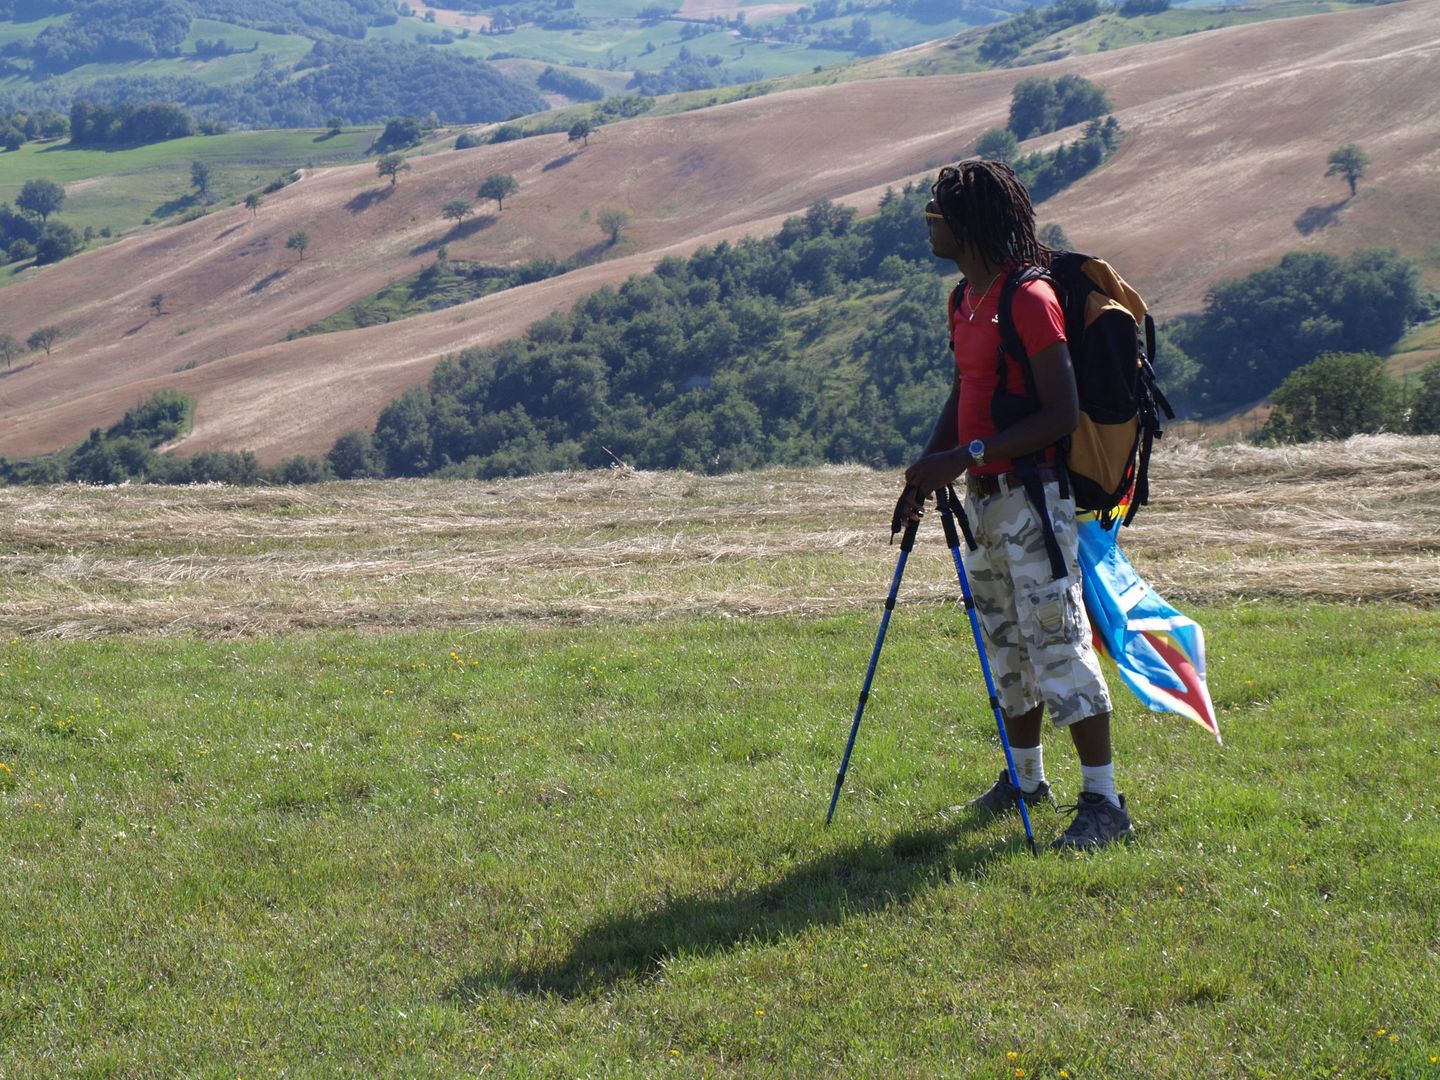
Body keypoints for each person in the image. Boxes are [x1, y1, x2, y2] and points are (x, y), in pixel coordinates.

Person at [900, 160, 1132, 851]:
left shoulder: (1029, 300)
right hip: (984, 502)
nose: (928, 225)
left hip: (1033, 498)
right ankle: (1025, 780)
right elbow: (963, 393)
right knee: (1007, 646)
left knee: (1059, 646)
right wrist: (924, 477)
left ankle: (1105, 803)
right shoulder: (963, 299)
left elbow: (1059, 414)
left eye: (936, 214)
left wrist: (963, 458)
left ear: (966, 224)